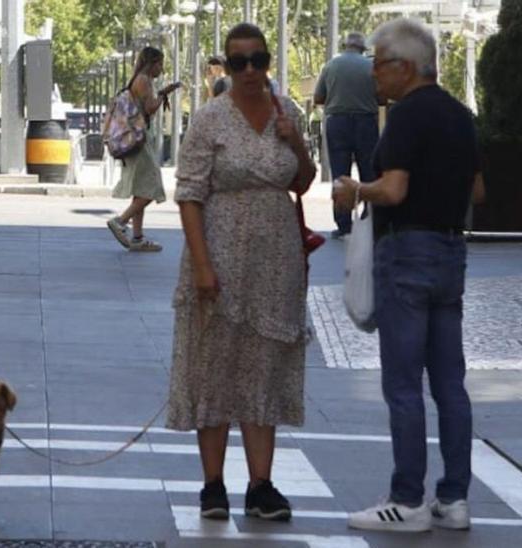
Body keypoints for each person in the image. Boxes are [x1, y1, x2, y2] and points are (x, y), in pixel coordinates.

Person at [332, 18, 486, 533]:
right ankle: (455, 499)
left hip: (409, 253)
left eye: (379, 63)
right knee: (450, 384)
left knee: (403, 383)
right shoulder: (461, 115)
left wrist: (356, 190)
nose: (374, 74)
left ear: (404, 66)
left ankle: (407, 499)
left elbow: (394, 191)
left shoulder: (405, 116)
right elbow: (478, 192)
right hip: (450, 253)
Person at [168, 22, 316, 522]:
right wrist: (203, 265)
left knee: (265, 367)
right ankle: (213, 485)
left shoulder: (284, 111)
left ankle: (261, 484)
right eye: (239, 62)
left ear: (268, 61)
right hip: (220, 253)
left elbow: (305, 179)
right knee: (213, 367)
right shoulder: (209, 119)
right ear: (226, 68)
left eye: (258, 59)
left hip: (276, 259)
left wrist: (296, 143)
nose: (250, 70)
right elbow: (188, 196)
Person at [105, 46, 180, 252]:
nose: (162, 69)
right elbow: (149, 109)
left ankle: (137, 238)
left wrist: (162, 93)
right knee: (151, 187)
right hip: (138, 140)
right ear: (152, 63)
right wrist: (163, 94)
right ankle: (120, 221)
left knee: (140, 188)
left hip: (133, 139)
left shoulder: (137, 79)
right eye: (160, 64)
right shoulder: (144, 81)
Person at [315, 32, 381, 239]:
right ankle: (369, 220)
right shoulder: (371, 67)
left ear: (345, 46)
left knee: (340, 174)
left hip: (337, 122)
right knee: (369, 172)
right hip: (365, 122)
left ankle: (343, 225)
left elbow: (318, 97)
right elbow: (382, 97)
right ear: (363, 48)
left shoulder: (331, 65)